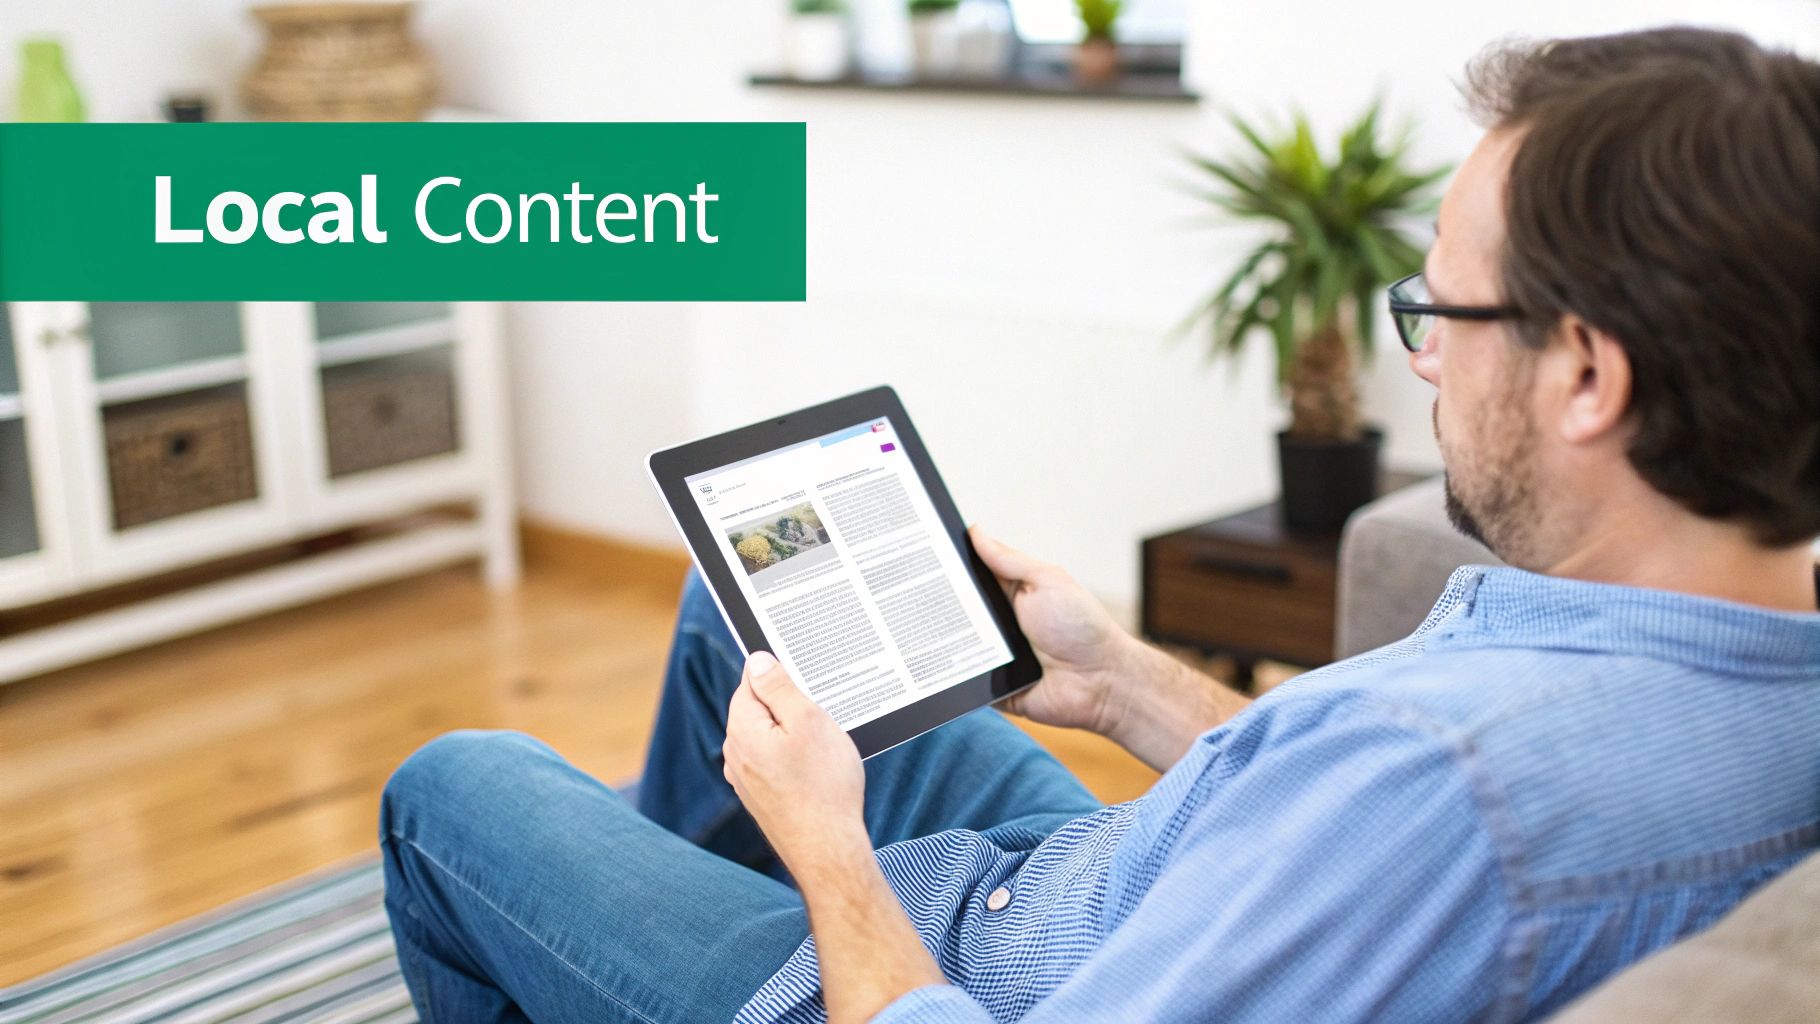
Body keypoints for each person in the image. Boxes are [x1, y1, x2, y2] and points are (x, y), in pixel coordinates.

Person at [378, 27, 1820, 1024]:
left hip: (982, 977)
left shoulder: (1449, 791)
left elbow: (1403, 814)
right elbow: (1332, 827)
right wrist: (1120, 680)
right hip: (1118, 894)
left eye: (1439, 311)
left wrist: (826, 850)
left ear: (1586, 374)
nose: (1424, 358)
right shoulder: (1762, 658)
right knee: (735, 617)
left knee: (456, 785)